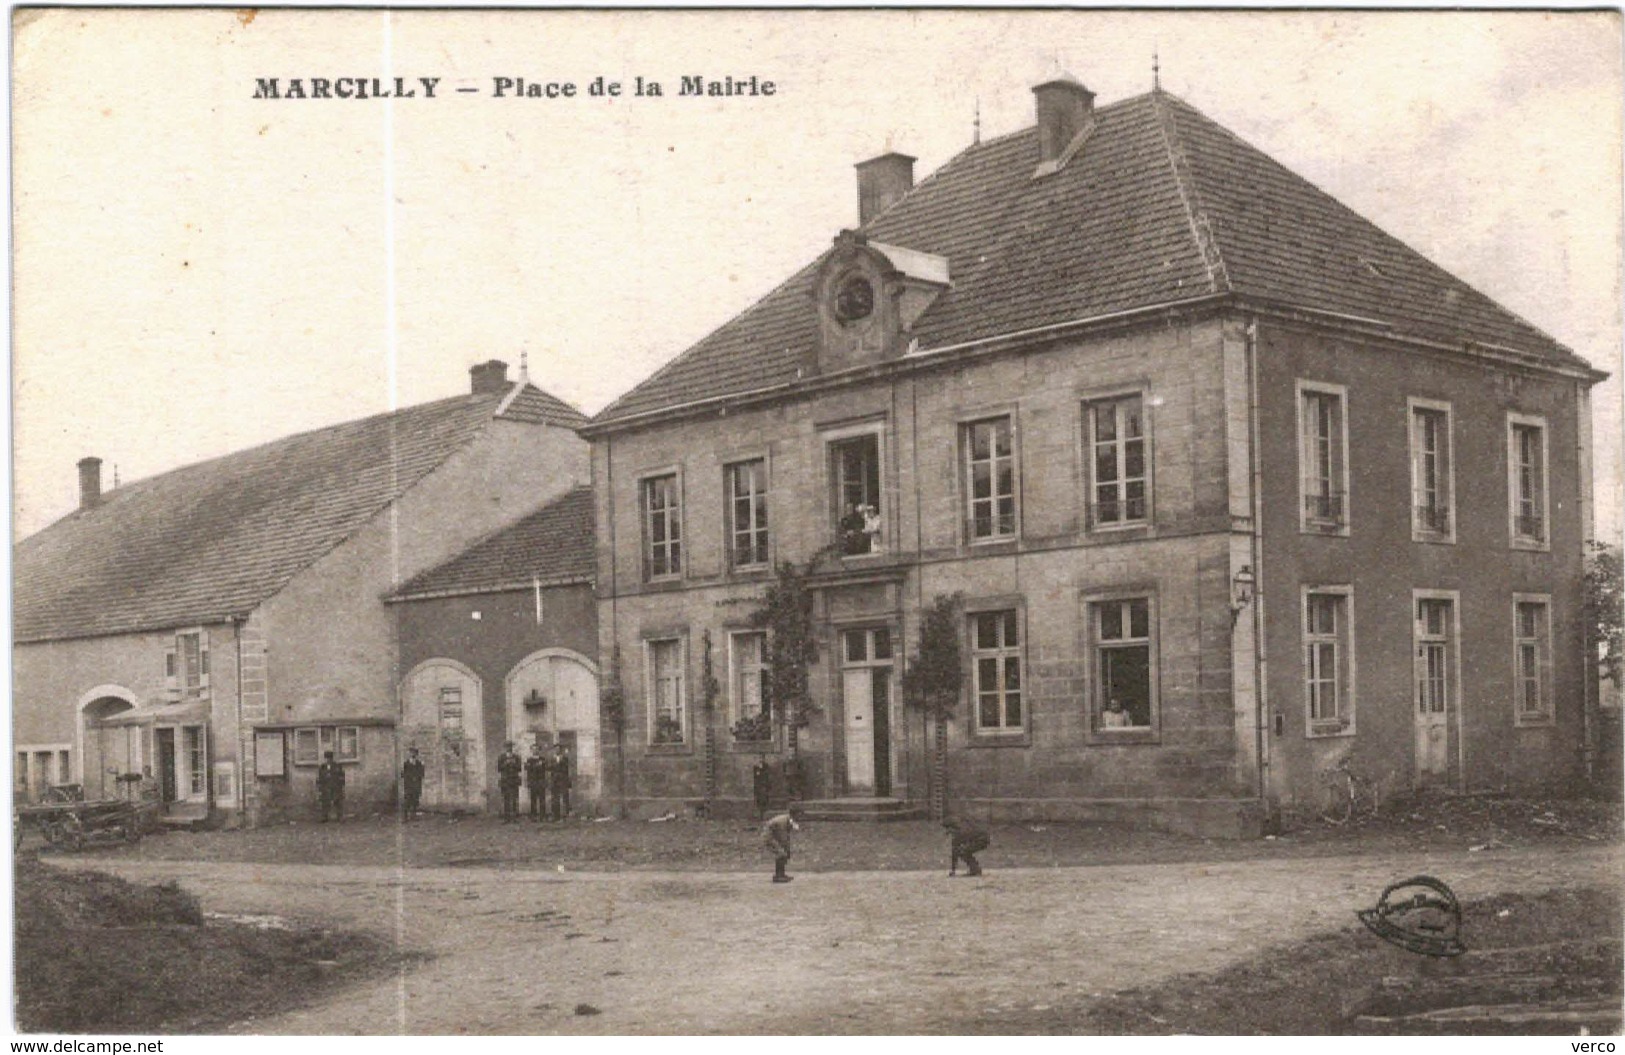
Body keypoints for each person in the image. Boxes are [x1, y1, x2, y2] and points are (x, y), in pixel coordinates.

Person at [761, 806, 801, 883]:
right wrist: (786, 848)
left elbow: (787, 834)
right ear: (794, 814)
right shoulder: (782, 821)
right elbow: (782, 836)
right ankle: (778, 876)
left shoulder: (788, 819)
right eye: (798, 815)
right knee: (781, 854)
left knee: (783, 853)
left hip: (774, 836)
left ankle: (781, 874)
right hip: (769, 837)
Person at [496, 741, 523, 822]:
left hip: (514, 779)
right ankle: (507, 817)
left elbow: (519, 769)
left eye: (510, 747)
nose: (509, 748)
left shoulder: (516, 757)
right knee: (506, 799)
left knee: (514, 798)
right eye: (507, 747)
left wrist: (514, 764)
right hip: (505, 780)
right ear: (505, 748)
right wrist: (506, 763)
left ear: (512, 748)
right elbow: (499, 769)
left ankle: (514, 817)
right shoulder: (501, 757)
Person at [317, 751, 346, 823]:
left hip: (336, 786)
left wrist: (341, 786)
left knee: (338, 802)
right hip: (326, 787)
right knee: (325, 802)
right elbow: (319, 777)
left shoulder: (337, 766)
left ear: (332, 758)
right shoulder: (322, 767)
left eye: (329, 758)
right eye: (326, 758)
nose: (328, 760)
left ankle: (340, 817)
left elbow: (342, 776)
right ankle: (324, 816)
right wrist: (320, 787)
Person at [548, 742, 573, 821]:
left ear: (561, 750)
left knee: (565, 798)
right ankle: (555, 816)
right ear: (554, 750)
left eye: (559, 749)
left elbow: (567, 770)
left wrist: (568, 782)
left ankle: (565, 815)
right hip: (554, 781)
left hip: (563, 780)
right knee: (555, 799)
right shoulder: (551, 759)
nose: (557, 750)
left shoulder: (565, 758)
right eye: (556, 749)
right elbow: (549, 769)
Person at [524, 743, 549, 822]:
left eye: (537, 749)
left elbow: (546, 769)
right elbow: (527, 770)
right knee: (533, 800)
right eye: (533, 749)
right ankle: (533, 816)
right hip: (533, 782)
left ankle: (542, 816)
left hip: (541, 781)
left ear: (539, 750)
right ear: (531, 750)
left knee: (542, 799)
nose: (535, 750)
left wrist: (535, 767)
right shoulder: (529, 760)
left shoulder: (543, 759)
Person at [401, 747, 425, 820]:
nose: (412, 754)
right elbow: (403, 774)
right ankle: (405, 816)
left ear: (416, 754)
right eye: (411, 753)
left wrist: (417, 778)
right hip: (409, 785)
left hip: (416, 785)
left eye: (414, 753)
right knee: (407, 800)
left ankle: (413, 815)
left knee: (415, 800)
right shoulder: (406, 764)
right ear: (409, 754)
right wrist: (410, 778)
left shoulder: (419, 763)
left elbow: (422, 774)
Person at [751, 755, 773, 820]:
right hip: (758, 787)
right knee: (758, 801)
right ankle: (760, 815)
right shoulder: (756, 767)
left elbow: (768, 777)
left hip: (764, 786)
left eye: (762, 758)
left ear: (764, 759)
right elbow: (755, 777)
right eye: (759, 758)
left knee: (765, 801)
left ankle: (764, 815)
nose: (760, 760)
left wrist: (768, 786)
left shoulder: (766, 767)